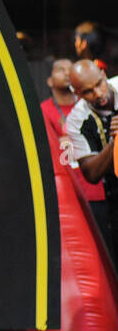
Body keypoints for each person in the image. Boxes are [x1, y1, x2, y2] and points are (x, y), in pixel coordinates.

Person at [41, 57, 108, 243]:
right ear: (49, 81)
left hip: (100, 189)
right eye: (60, 69)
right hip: (69, 191)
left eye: (69, 69)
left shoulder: (93, 105)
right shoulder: (44, 110)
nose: (66, 73)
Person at [65, 59, 118, 259]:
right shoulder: (77, 119)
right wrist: (114, 143)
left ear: (104, 75)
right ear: (77, 93)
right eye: (88, 91)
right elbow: (92, 173)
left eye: (99, 84)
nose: (98, 93)